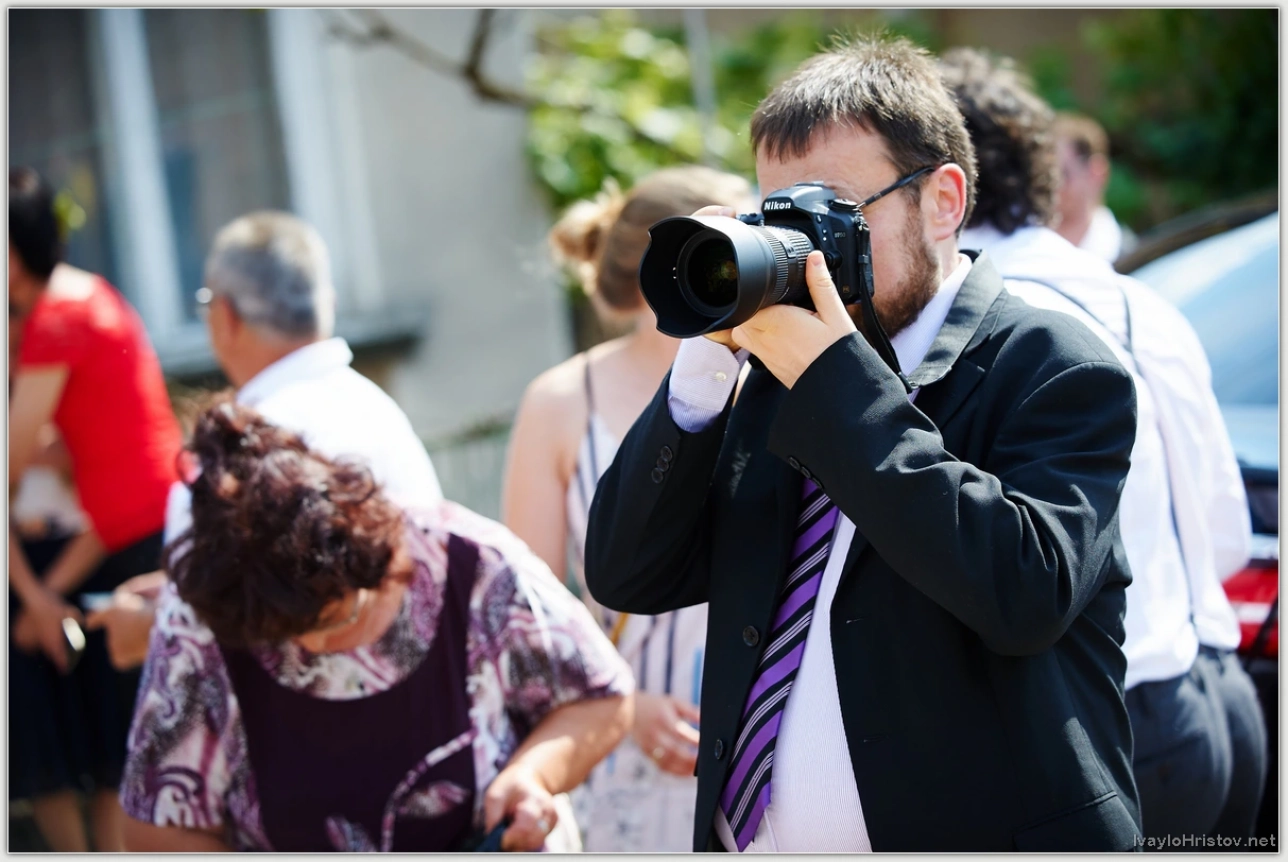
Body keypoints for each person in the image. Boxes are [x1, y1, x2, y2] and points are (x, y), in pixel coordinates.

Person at [584, 35, 1144, 852]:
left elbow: (1022, 593)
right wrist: (700, 373)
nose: (805, 245)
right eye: (780, 216)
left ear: (943, 201)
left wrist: (835, 384)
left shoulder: (1053, 363)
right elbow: (628, 571)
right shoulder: (771, 372)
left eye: (832, 211)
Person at [943, 46, 1267, 841]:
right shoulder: (1138, 299)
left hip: (1118, 728)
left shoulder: (978, 322)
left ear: (937, 180)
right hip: (1221, 701)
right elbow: (1224, 531)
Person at [119, 400, 634, 851]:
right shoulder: (205, 613)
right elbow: (155, 830)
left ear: (374, 554)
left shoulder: (470, 565)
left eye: (335, 617)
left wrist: (532, 774)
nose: (313, 646)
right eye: (277, 636)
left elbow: (603, 697)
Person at [502, 166, 754, 851]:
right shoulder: (560, 402)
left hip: (758, 730)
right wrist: (628, 709)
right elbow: (528, 609)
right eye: (732, 248)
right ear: (669, 269)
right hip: (623, 756)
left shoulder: (771, 378)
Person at [87, 211, 444, 670]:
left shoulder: (242, 449)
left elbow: (242, 620)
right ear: (327, 303)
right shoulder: (376, 408)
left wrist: (153, 624)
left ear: (225, 317)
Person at [8, 166, 184, 852]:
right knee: (129, 741)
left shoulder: (57, 318)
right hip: (136, 528)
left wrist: (35, 598)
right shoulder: (89, 294)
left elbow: (10, 459)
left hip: (129, 541)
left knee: (131, 741)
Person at [1052, 111, 1137, 264]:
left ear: (1096, 173)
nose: (1049, 186)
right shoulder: (1026, 256)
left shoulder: (1127, 256)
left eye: (1060, 174)